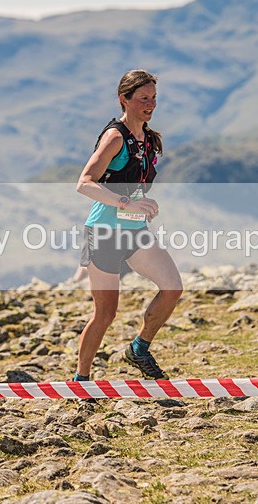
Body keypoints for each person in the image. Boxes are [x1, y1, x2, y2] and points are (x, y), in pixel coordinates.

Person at [75, 70, 183, 382]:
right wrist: (127, 203)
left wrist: (142, 203)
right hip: (104, 233)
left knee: (173, 288)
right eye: (143, 99)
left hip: (134, 231)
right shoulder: (115, 137)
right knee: (106, 314)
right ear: (124, 99)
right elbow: (84, 183)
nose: (150, 105)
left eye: (153, 98)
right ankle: (81, 380)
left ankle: (139, 348)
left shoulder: (147, 138)